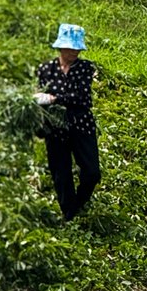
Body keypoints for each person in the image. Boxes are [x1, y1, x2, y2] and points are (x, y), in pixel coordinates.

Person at [35, 24, 101, 221]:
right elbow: (39, 94)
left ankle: (79, 203)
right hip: (55, 126)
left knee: (92, 172)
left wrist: (53, 98)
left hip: (81, 124)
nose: (73, 52)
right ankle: (69, 214)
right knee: (60, 173)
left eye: (76, 49)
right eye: (69, 48)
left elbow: (81, 97)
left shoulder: (85, 68)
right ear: (60, 47)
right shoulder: (46, 69)